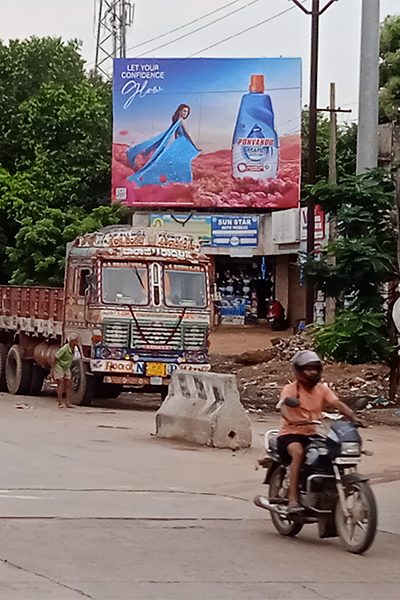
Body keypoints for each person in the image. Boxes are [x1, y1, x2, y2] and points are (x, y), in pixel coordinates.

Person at [276, 350, 362, 513]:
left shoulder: (322, 389)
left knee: (330, 453)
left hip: (312, 434)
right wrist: (292, 419)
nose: (313, 372)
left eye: (315, 368)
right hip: (290, 434)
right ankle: (293, 498)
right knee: (298, 453)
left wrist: (352, 416)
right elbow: (283, 407)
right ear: (299, 371)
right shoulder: (291, 389)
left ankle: (327, 491)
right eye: (308, 369)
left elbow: (337, 403)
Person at [52, 334, 79, 408]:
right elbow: (55, 357)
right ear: (71, 341)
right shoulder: (65, 348)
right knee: (61, 383)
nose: (77, 342)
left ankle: (68, 402)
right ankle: (60, 402)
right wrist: (52, 370)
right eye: (75, 340)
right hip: (60, 366)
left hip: (66, 367)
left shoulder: (74, 348)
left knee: (69, 384)